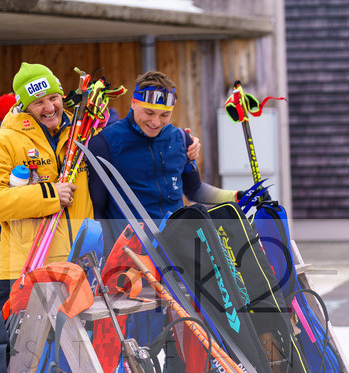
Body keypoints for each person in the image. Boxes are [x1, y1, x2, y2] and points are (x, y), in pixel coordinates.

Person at [0, 63, 92, 309]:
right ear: (24, 107)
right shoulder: (6, 140)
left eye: (53, 98)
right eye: (39, 102)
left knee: (72, 346)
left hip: (77, 263)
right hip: (25, 269)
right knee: (23, 347)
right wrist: (51, 194)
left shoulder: (79, 132)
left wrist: (186, 144)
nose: (50, 108)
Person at [87, 71, 211, 246]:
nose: (156, 122)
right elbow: (98, 210)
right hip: (131, 254)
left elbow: (195, 190)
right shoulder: (104, 142)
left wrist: (237, 196)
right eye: (149, 112)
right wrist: (108, 255)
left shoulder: (181, 138)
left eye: (164, 115)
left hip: (177, 247)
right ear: (133, 103)